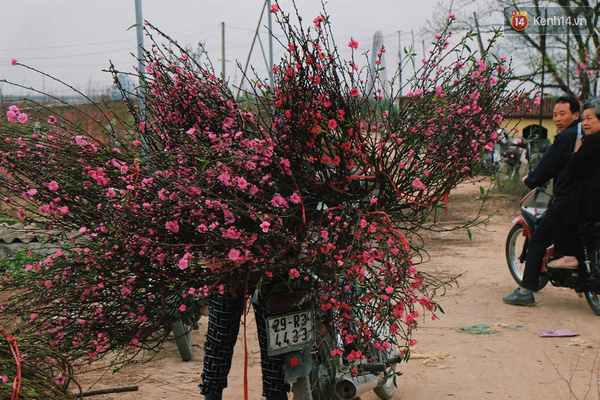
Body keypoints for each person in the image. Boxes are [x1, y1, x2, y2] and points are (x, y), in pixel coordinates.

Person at [502, 96, 581, 306]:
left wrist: (532, 179)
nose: (557, 118)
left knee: (538, 238)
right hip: (588, 200)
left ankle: (526, 290)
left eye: (562, 113)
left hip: (567, 199)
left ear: (576, 115)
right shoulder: (588, 135)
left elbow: (549, 164)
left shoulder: (567, 136)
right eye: (555, 114)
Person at [548, 97, 600, 268]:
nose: (585, 123)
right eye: (583, 119)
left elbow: (574, 167)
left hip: (592, 198)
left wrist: (577, 150)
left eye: (589, 118)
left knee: (561, 210)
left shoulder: (593, 141)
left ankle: (570, 255)